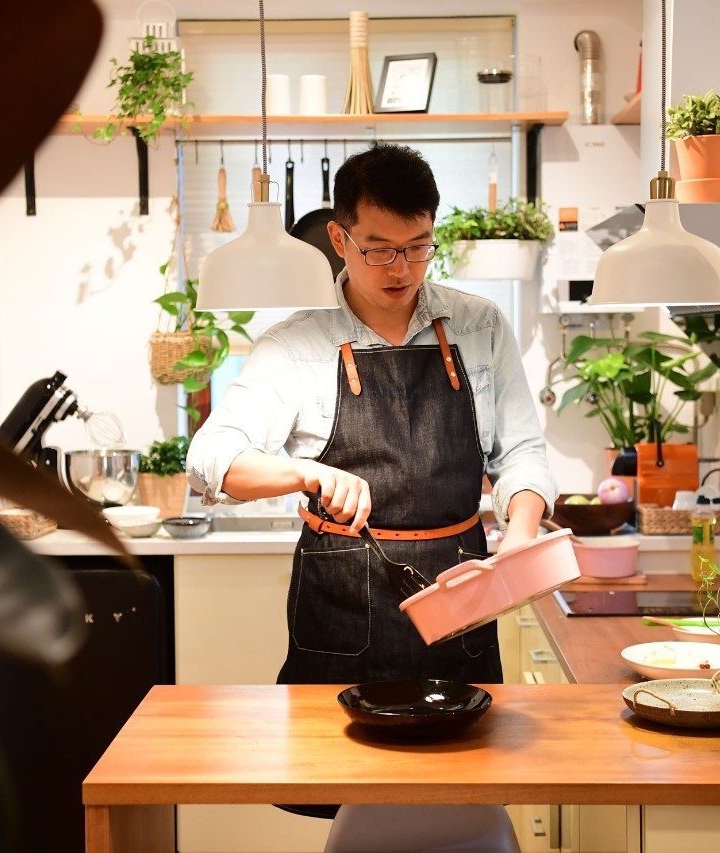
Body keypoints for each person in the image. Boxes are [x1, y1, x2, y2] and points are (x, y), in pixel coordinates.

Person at [187, 142, 555, 688]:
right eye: (378, 249)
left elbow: (521, 451)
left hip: (461, 593)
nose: (400, 268)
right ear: (340, 239)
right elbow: (210, 460)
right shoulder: (294, 344)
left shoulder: (481, 327)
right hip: (339, 608)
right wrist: (305, 473)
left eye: (417, 247)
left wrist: (521, 533)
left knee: (468, 763)